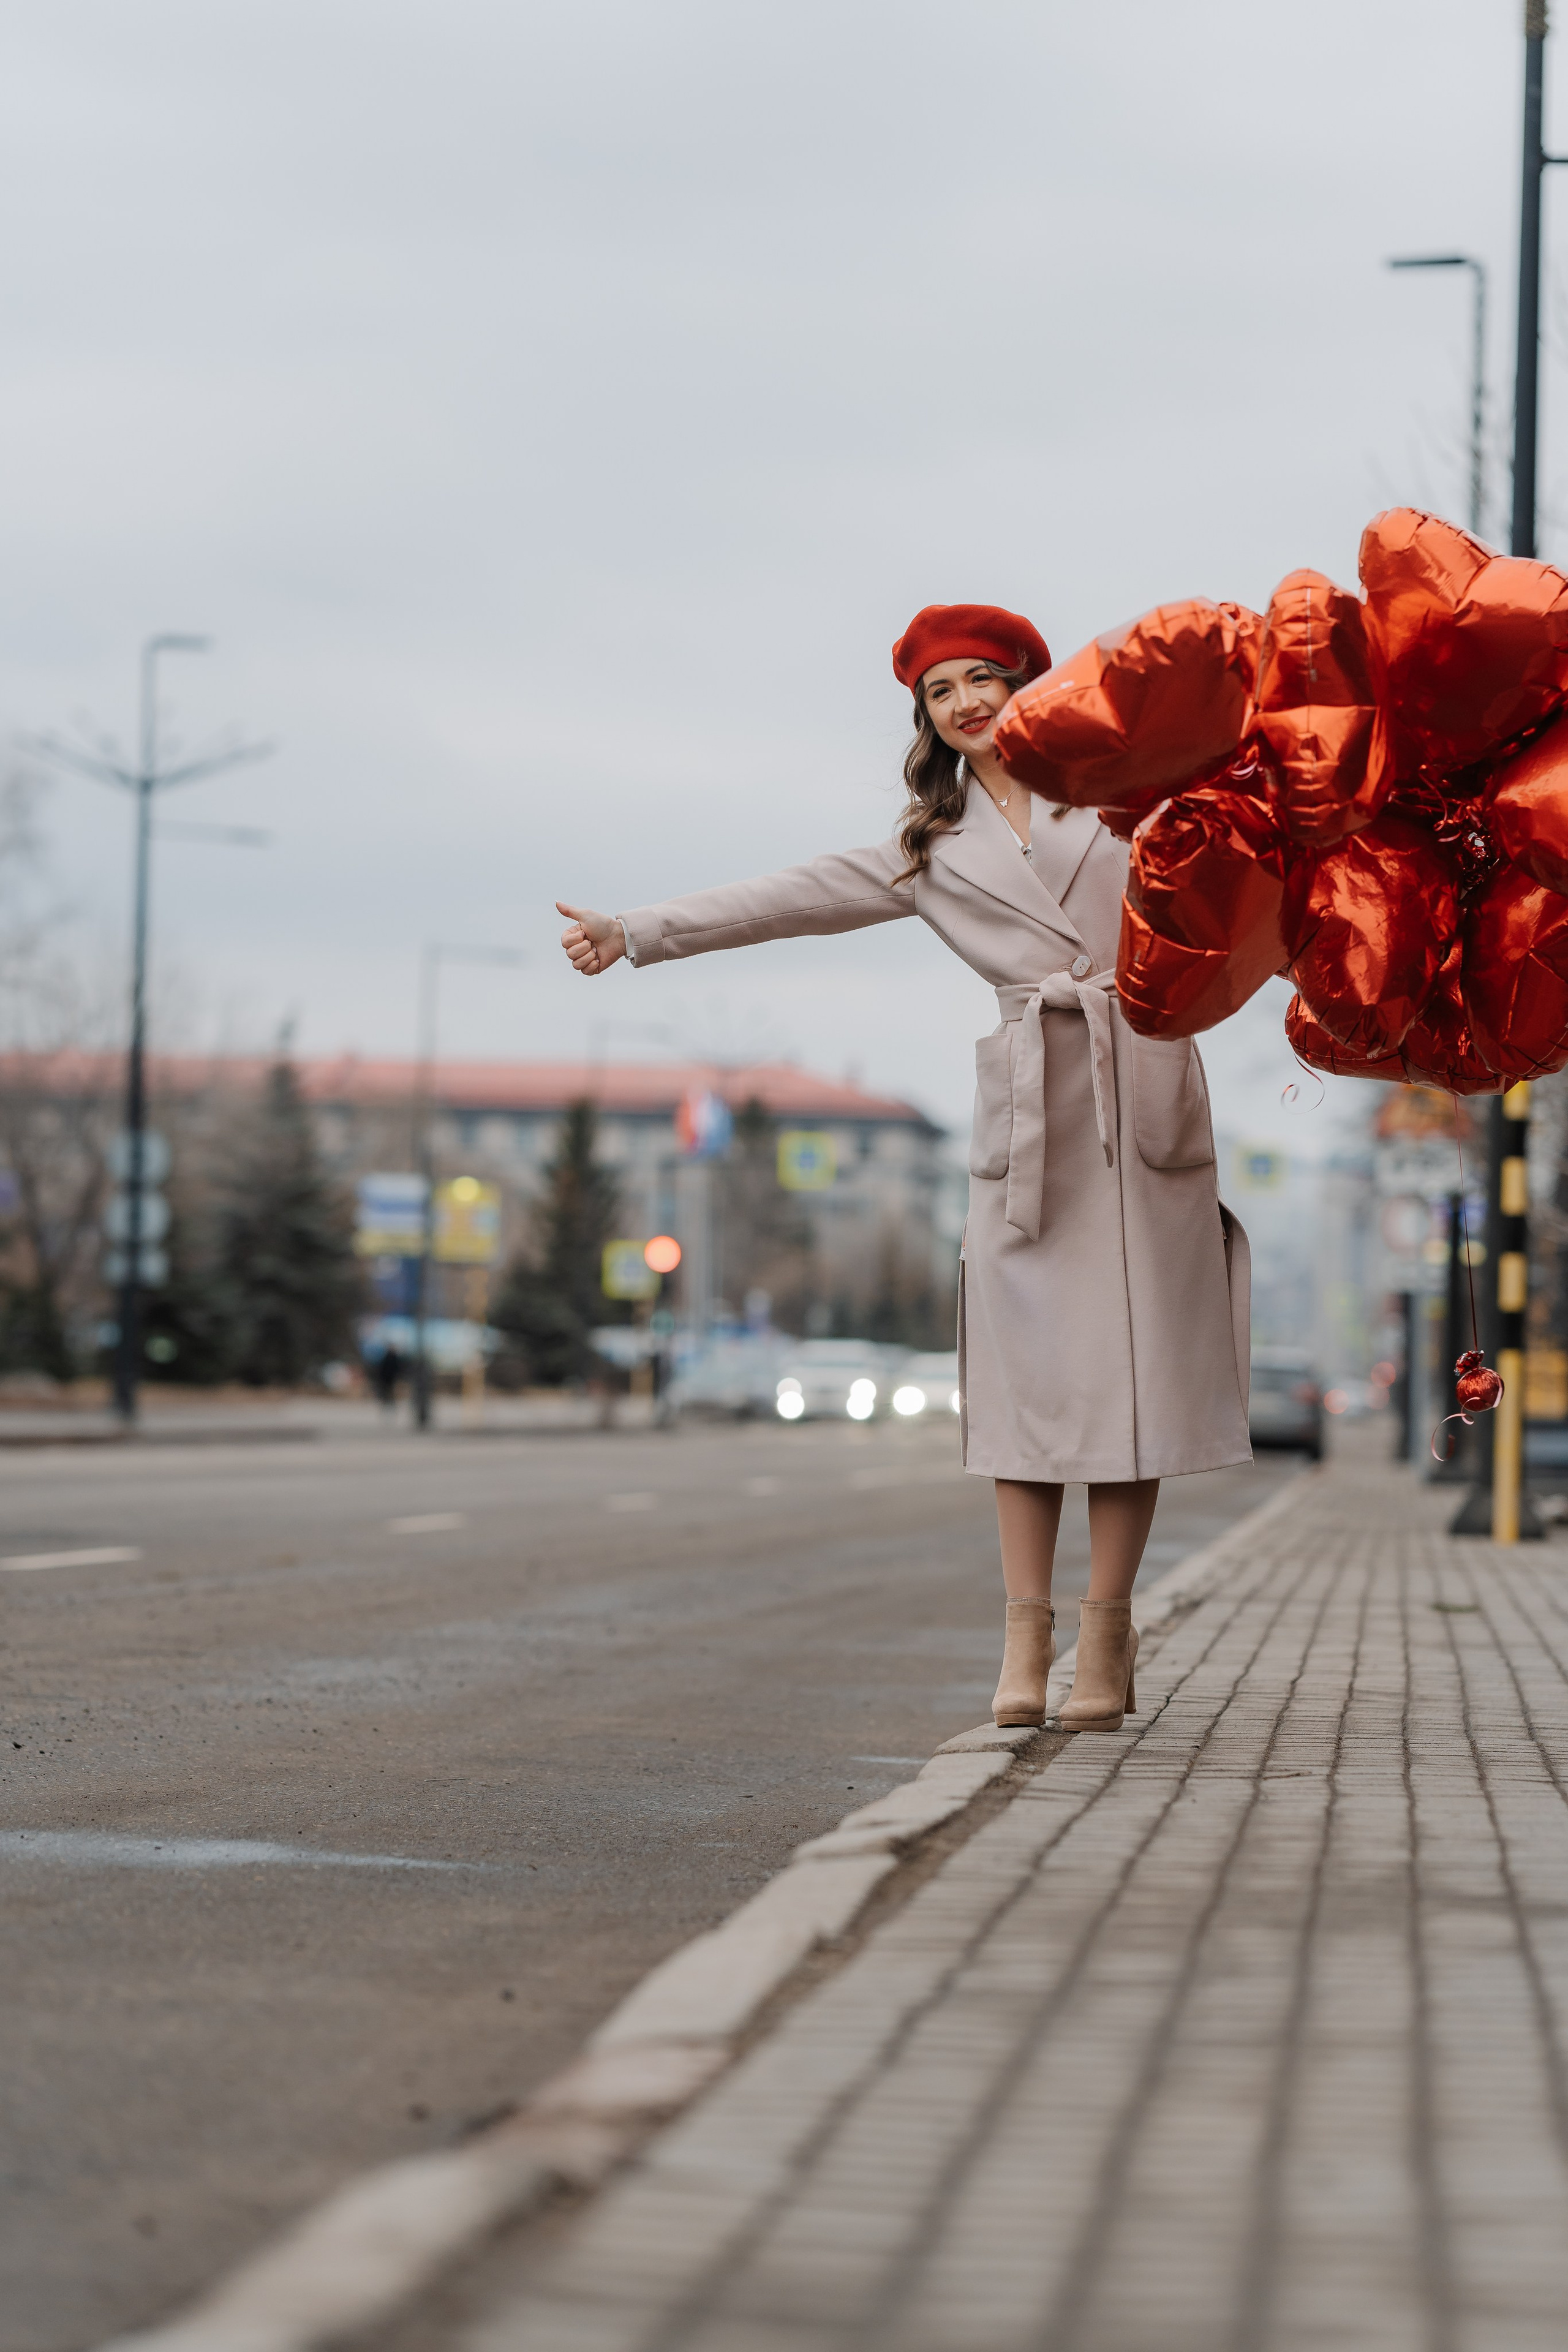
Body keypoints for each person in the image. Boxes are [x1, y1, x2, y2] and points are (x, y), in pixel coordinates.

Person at [557, 603, 1250, 1732]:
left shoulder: (1131, 795)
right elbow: (786, 898)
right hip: (1031, 1122)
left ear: (1036, 687)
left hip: (1146, 1090)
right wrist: (637, 930)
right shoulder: (929, 847)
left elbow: (1257, 864)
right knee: (1028, 1386)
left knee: (1135, 1386)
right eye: (941, 691)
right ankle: (1025, 1645)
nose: (968, 702)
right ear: (927, 717)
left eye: (987, 679)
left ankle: (1105, 1644)